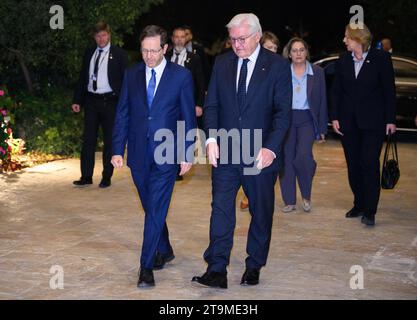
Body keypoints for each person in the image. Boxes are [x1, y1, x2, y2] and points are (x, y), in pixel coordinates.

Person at [192, 13, 292, 289]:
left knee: (260, 211)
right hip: (226, 151)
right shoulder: (222, 63)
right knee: (221, 209)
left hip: (259, 152)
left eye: (242, 39)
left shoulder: (277, 67)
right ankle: (216, 268)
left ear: (257, 36)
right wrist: (211, 139)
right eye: (233, 39)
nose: (236, 45)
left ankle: (254, 264)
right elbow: (211, 105)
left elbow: (283, 114)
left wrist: (271, 148)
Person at [111, 25, 196, 288]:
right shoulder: (132, 74)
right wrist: (116, 149)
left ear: (165, 48)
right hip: (137, 152)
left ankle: (146, 266)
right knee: (151, 205)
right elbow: (123, 112)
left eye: (153, 51)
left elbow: (187, 118)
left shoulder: (180, 76)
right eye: (144, 50)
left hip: (166, 153)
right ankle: (165, 248)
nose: (148, 56)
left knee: (155, 206)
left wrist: (187, 152)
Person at [331, 23, 396, 226]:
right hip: (348, 122)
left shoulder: (381, 59)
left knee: (369, 164)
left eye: (346, 37)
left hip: (373, 122)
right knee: (353, 166)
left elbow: (389, 91)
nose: (344, 40)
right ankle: (358, 204)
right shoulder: (343, 60)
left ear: (358, 39)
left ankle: (370, 210)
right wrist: (334, 117)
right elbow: (336, 91)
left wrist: (390, 119)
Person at [72, 22, 128, 188]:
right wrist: (77, 100)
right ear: (94, 37)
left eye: (103, 35)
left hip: (111, 102)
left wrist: (125, 104)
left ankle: (106, 176)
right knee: (88, 140)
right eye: (97, 36)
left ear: (109, 35)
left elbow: (126, 81)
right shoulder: (90, 52)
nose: (101, 38)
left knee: (109, 141)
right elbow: (83, 77)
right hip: (91, 101)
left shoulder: (119, 54)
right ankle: (86, 176)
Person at [278, 37, 327, 213]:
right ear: (289, 54)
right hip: (287, 120)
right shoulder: (282, 71)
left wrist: (322, 129)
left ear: (306, 52)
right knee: (286, 160)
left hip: (307, 119)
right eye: (294, 50)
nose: (298, 53)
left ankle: (306, 196)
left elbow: (322, 102)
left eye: (301, 50)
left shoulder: (317, 72)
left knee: (304, 157)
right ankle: (289, 200)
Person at [240, 30, 281, 210]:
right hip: (251, 132)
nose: (272, 51)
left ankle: (259, 196)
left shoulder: (280, 67)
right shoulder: (250, 69)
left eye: (275, 48)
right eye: (268, 48)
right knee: (251, 173)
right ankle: (251, 194)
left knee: (266, 175)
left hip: (274, 131)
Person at [167, 26, 206, 180]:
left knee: (184, 135)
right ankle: (170, 166)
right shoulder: (165, 56)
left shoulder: (194, 58)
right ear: (172, 38)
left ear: (186, 39)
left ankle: (180, 167)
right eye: (176, 37)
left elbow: (200, 83)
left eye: (182, 37)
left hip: (187, 103)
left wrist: (199, 104)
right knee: (169, 134)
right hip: (169, 104)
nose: (179, 40)